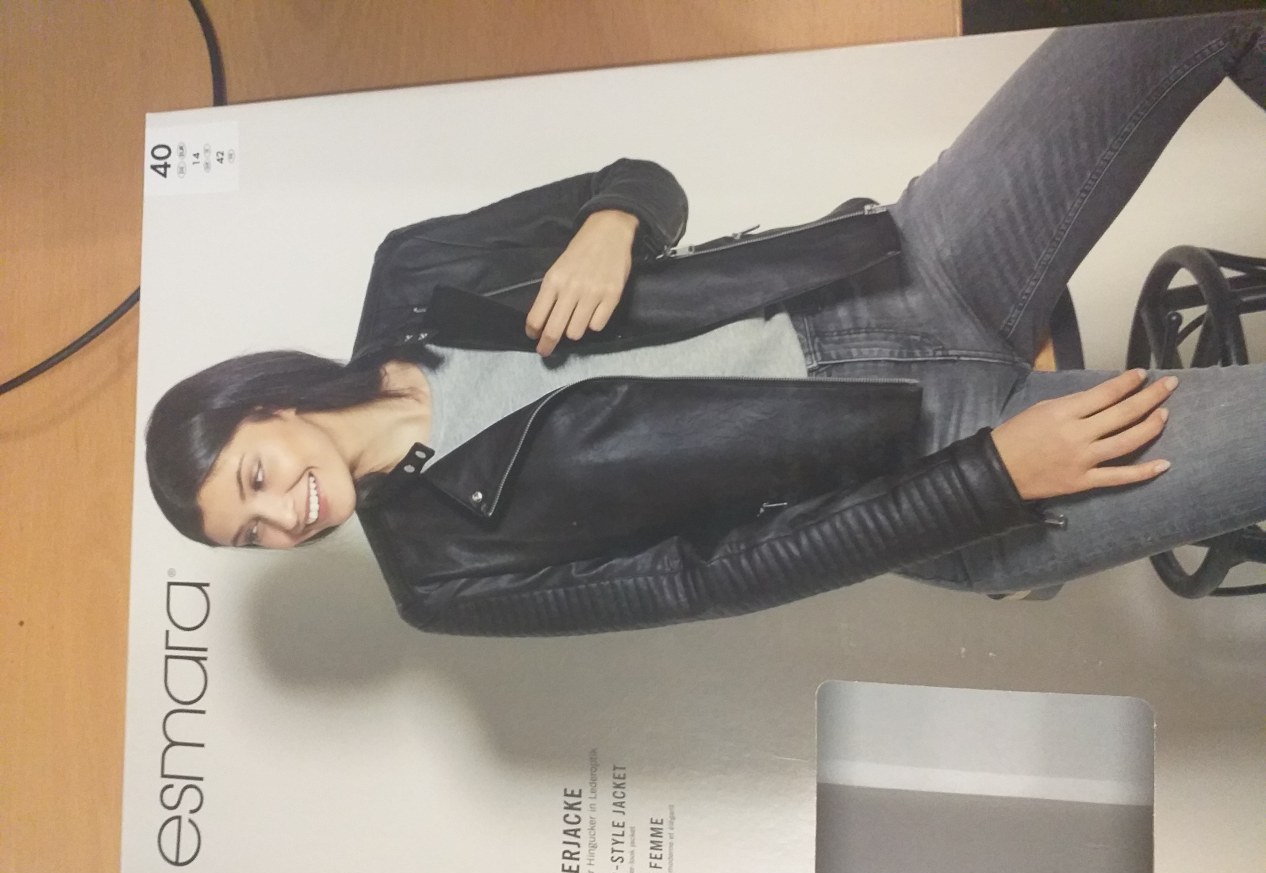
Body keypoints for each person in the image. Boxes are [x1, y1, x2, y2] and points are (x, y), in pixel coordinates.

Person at [147, 13, 1266, 635]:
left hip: (901, 264)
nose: (282, 517)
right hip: (947, 470)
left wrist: (615, 218)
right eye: (252, 534)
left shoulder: (416, 274)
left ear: (268, 406)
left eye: (254, 479)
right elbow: (717, 576)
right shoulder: (438, 577)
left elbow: (642, 182)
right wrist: (992, 479)